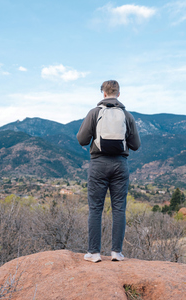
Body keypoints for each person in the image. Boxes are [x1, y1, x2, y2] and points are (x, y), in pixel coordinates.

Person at [77, 80, 141, 263]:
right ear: (118, 94)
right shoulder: (127, 115)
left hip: (98, 164)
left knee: (96, 208)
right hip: (120, 165)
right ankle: (116, 253)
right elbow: (136, 145)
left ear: (103, 94)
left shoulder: (94, 113)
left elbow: (81, 140)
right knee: (119, 208)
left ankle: (94, 253)